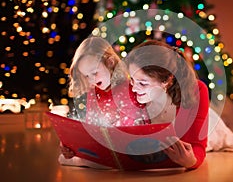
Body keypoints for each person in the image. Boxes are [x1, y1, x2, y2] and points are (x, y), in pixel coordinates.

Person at [58, 36, 150, 168]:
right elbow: (91, 128)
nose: (91, 80)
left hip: (132, 150)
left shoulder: (132, 87)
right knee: (63, 158)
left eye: (94, 73)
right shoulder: (93, 93)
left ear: (110, 62)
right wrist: (72, 143)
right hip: (103, 152)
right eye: (86, 76)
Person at [125, 39, 210, 169]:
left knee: (222, 137)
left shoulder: (196, 91)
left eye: (143, 83)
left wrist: (191, 161)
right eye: (132, 80)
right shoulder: (133, 92)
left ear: (167, 80)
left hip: (205, 122)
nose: (134, 89)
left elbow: (198, 146)